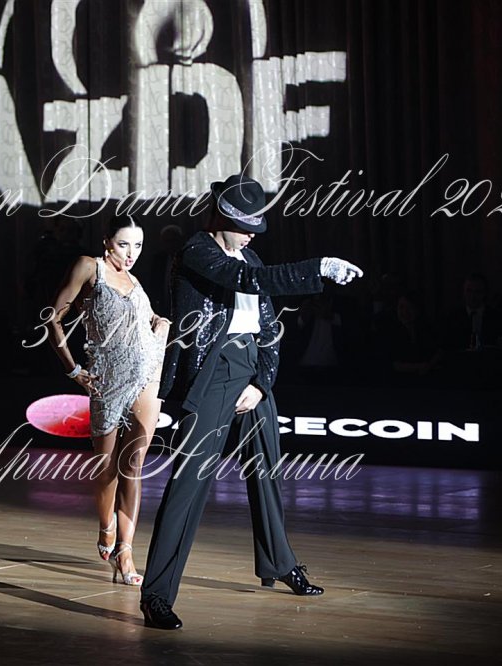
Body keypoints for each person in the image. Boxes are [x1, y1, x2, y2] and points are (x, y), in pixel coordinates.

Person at [139, 174, 363, 630]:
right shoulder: (197, 251)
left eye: (256, 228)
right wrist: (317, 267)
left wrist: (261, 382)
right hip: (213, 373)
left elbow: (269, 326)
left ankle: (279, 563)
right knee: (188, 485)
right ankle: (157, 595)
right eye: (245, 227)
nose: (252, 235)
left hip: (251, 372)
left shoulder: (250, 254)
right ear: (221, 218)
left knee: (266, 472)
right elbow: (247, 280)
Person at [47, 215, 170, 586]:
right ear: (107, 241)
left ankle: (126, 551)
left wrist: (161, 323)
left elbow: (148, 320)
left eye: (138, 245)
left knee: (134, 467)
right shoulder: (90, 267)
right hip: (107, 380)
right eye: (124, 244)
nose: (131, 253)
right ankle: (106, 527)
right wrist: (73, 370)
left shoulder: (135, 281)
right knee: (107, 468)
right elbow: (53, 319)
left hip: (147, 376)